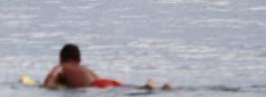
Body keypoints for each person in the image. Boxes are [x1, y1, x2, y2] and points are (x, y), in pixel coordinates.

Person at [43, 44, 172, 90]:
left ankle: (149, 87)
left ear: (61, 59)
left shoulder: (61, 67)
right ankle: (157, 87)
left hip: (95, 88)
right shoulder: (86, 69)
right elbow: (99, 81)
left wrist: (46, 87)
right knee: (127, 89)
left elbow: (50, 81)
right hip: (106, 82)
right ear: (79, 59)